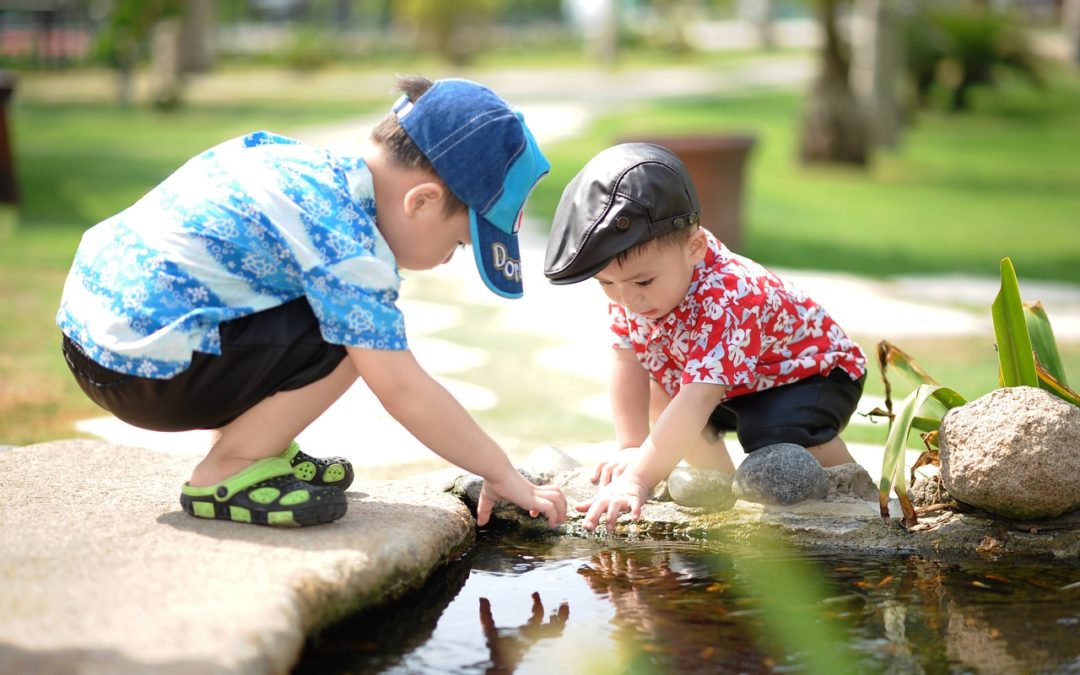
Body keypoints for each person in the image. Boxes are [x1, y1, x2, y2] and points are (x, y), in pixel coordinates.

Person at [57, 75, 567, 529]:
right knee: (357, 339)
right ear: (423, 201)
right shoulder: (347, 243)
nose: (447, 259)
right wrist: (500, 472)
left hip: (95, 338)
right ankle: (230, 469)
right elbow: (403, 390)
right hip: (143, 372)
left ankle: (261, 446)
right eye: (458, 245)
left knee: (330, 311)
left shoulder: (300, 165)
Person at [543, 143, 866, 531]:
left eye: (643, 281)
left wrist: (638, 480)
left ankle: (853, 493)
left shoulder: (729, 294)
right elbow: (626, 359)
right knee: (662, 389)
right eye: (606, 283)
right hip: (732, 384)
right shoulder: (634, 291)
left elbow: (699, 398)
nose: (628, 299)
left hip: (810, 375)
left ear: (694, 247)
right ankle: (720, 493)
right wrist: (632, 445)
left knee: (771, 434)